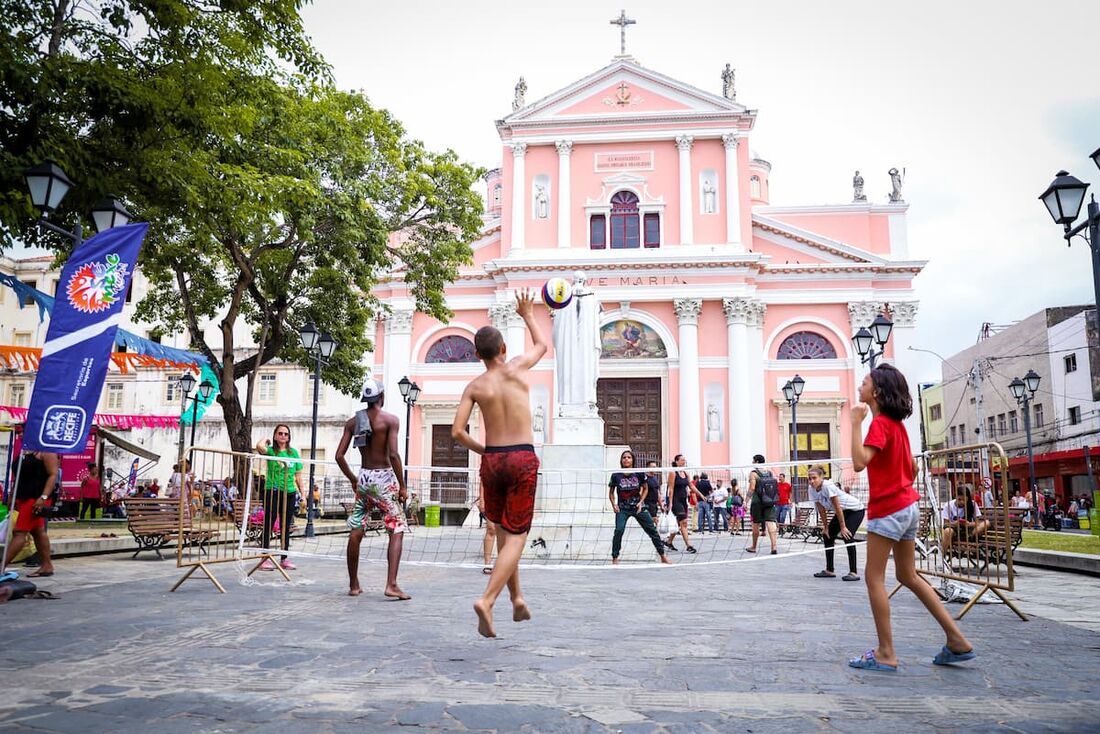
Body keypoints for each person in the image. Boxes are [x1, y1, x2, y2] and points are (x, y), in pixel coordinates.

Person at [849, 364, 974, 672]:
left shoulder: (878, 424)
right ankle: (956, 640)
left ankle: (886, 652)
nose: (859, 386)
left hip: (889, 509)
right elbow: (914, 469)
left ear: (875, 392)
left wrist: (854, 423)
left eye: (863, 382)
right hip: (908, 507)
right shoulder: (897, 426)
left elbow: (858, 462)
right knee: (909, 575)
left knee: (873, 577)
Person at [452, 288, 547, 638]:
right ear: (504, 350)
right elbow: (541, 347)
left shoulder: (475, 386)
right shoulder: (518, 367)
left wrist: (485, 451)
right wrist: (528, 314)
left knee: (506, 533)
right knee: (519, 535)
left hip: (492, 461)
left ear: (476, 354)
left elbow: (457, 432)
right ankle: (487, 600)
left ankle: (517, 598)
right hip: (521, 456)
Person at [336, 378, 409, 599]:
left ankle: (354, 584)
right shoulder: (390, 420)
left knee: (357, 529)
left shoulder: (353, 422)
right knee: (396, 529)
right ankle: (392, 584)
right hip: (384, 478)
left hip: (364, 477)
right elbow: (394, 454)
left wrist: (353, 479)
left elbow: (339, 456)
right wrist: (402, 486)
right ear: (382, 397)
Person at [255, 424, 304, 571]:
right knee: (269, 523)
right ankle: (265, 557)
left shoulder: (293, 453)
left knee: (285, 525)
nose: (283, 436)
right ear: (276, 435)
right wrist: (267, 440)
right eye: (280, 433)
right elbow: (259, 446)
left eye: (286, 434)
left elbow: (298, 476)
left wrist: (303, 494)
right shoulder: (271, 451)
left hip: (289, 492)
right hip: (273, 490)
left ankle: (284, 558)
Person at [608, 449, 671, 565]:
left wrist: (641, 501)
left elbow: (645, 488)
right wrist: (614, 504)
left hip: (638, 507)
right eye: (624, 457)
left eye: (629, 457)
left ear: (633, 460)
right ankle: (615, 558)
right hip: (623, 508)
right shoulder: (616, 475)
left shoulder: (639, 474)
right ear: (621, 460)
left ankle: (662, 555)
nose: (626, 459)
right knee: (619, 530)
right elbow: (611, 492)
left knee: (652, 530)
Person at [4, 450, 59, 577]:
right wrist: (12, 495)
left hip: (36, 499)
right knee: (38, 531)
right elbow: (18, 477)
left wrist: (43, 497)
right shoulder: (25, 450)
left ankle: (2, 566)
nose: (22, 433)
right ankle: (47, 565)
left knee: (19, 532)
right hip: (23, 497)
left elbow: (53, 475)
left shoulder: (46, 451)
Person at [808, 465, 865, 581]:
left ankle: (853, 572)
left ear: (821, 477)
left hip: (855, 510)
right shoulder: (811, 489)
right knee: (827, 535)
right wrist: (826, 527)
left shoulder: (827, 486)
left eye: (814, 478)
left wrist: (843, 527)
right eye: (809, 478)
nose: (811, 481)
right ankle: (829, 570)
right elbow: (821, 509)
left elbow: (837, 507)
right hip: (843, 511)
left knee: (847, 535)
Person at [664, 455, 705, 554]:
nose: (684, 461)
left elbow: (691, 486)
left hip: (683, 501)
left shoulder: (686, 473)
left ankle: (669, 542)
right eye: (682, 460)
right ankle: (688, 545)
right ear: (676, 461)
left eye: (684, 460)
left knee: (679, 523)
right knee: (684, 522)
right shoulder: (673, 473)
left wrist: (701, 495)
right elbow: (671, 488)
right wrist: (670, 503)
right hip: (675, 501)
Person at [747, 455, 779, 555]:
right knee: (770, 522)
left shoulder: (754, 473)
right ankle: (774, 547)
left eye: (753, 460)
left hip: (757, 501)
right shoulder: (769, 472)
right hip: (769, 500)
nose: (752, 462)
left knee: (756, 523)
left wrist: (746, 501)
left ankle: (754, 546)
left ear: (756, 461)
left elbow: (752, 488)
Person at [942, 485, 989, 553]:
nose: (962, 502)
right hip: (955, 531)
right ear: (955, 496)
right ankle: (943, 554)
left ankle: (969, 538)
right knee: (947, 531)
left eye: (964, 500)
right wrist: (955, 523)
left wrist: (969, 524)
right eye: (959, 499)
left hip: (969, 531)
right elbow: (945, 523)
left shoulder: (972, 504)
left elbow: (977, 523)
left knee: (986, 523)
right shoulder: (948, 505)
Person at [476, 485, 497, 575]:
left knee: (507, 532)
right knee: (491, 529)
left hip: (509, 496)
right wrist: (482, 499)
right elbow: (483, 479)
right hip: (492, 498)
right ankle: (487, 563)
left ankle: (505, 564)